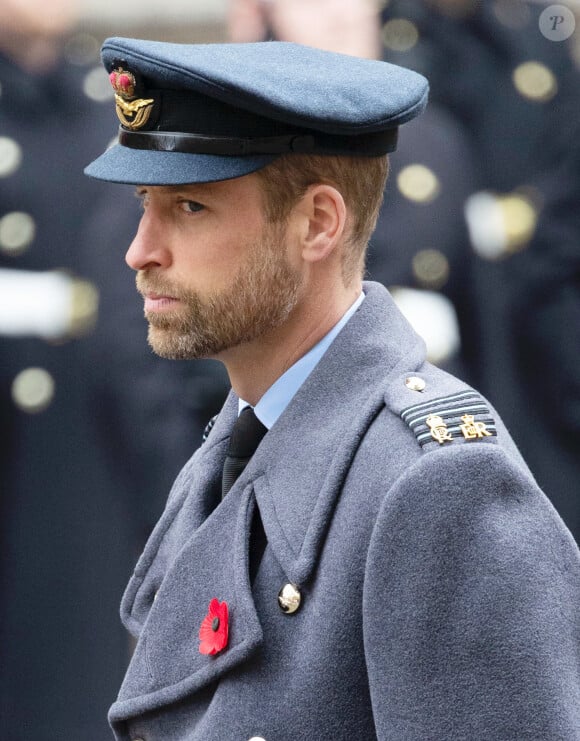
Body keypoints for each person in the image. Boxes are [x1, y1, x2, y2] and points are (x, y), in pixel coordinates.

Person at [85, 37, 580, 740]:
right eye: (144, 202)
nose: (141, 250)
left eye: (190, 207)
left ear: (317, 223)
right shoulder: (235, 444)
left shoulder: (438, 485)